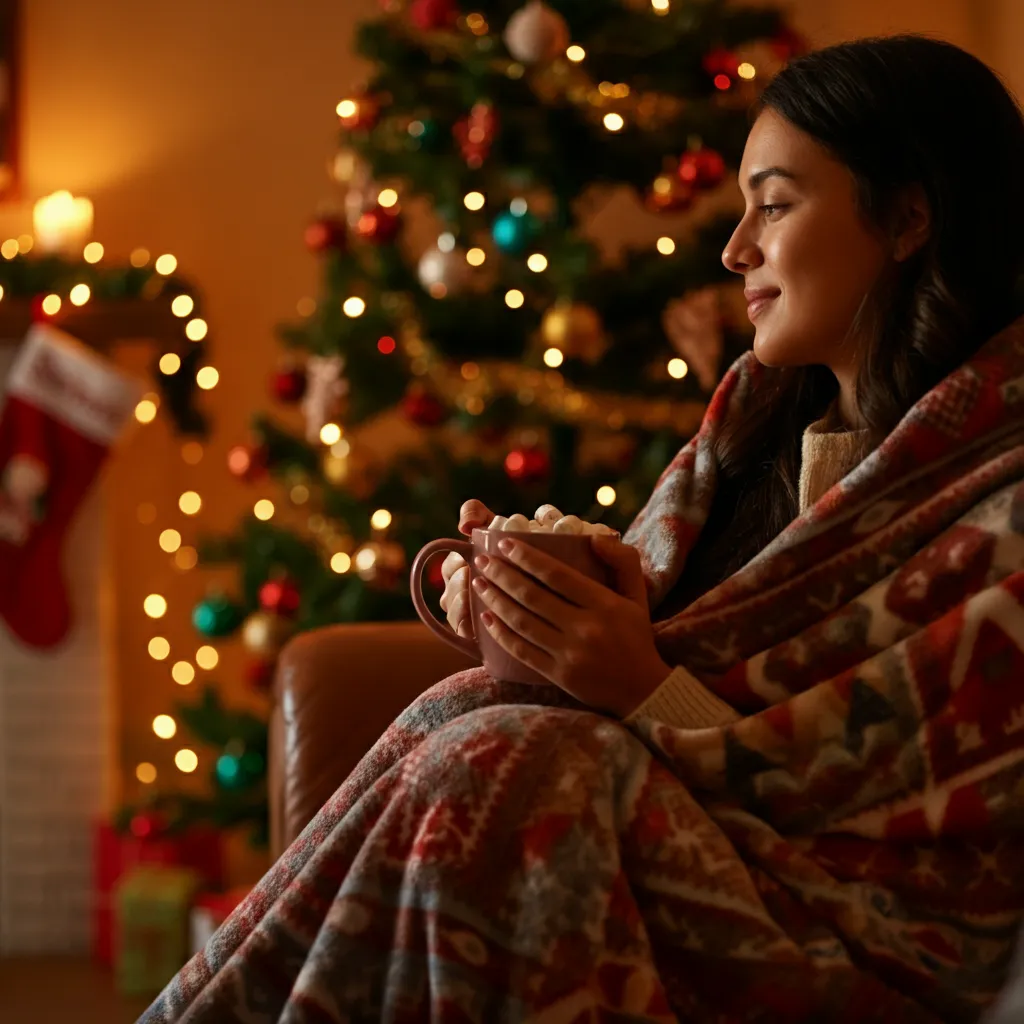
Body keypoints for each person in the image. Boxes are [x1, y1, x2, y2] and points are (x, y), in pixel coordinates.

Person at [143, 35, 1024, 1023]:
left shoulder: (1001, 501)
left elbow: (908, 811)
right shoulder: (741, 440)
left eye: (773, 206)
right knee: (464, 711)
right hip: (687, 841)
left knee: (518, 763)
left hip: (856, 923)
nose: (734, 250)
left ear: (907, 218)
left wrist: (641, 686)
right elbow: (643, 643)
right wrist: (519, 611)